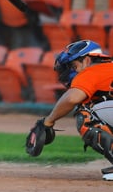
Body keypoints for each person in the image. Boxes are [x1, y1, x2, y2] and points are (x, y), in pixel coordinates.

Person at [43, 39, 113, 181]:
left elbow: (71, 99)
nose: (73, 71)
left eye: (74, 66)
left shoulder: (92, 70)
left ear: (87, 60)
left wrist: (48, 121)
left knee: (86, 115)